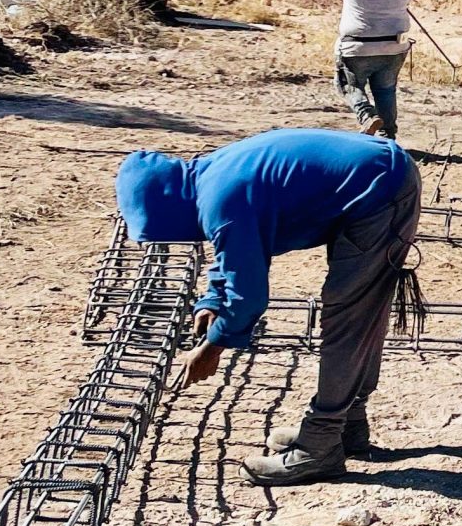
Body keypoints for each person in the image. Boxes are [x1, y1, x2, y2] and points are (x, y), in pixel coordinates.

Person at [115, 128, 421, 485]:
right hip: (378, 174)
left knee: (349, 318)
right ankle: (346, 427)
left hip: (380, 189)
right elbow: (234, 251)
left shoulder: (222, 201)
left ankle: (320, 447)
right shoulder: (210, 178)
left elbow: (249, 295)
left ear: (165, 207)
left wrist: (212, 348)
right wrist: (212, 300)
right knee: (357, 314)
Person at [321, 0, 414, 139]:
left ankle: (366, 115)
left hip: (357, 45)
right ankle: (387, 134)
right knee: (385, 90)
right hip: (394, 44)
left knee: (348, 85)